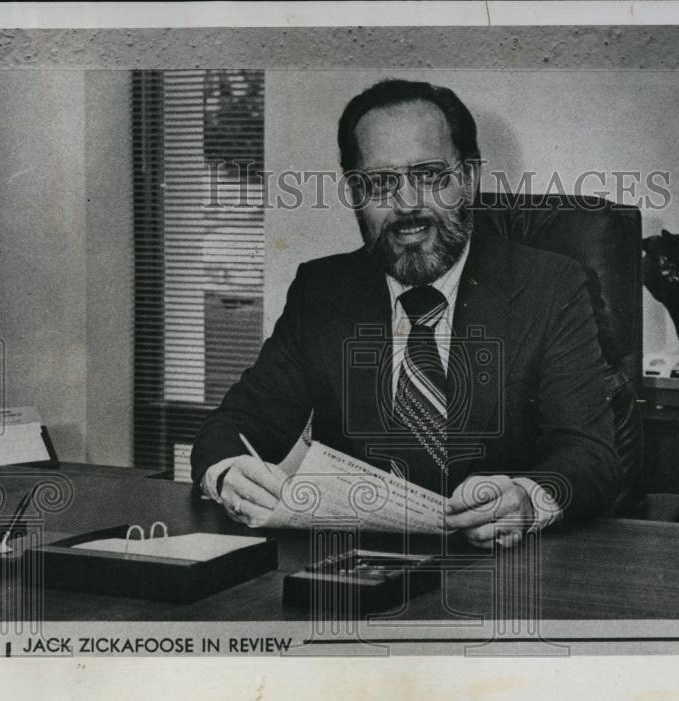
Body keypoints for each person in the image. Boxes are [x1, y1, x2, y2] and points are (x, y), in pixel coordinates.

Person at [191, 78, 620, 548]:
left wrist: (526, 499)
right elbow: (231, 427)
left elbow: (590, 453)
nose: (407, 206)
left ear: (470, 178)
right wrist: (230, 474)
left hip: (499, 572)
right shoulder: (322, 291)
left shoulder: (549, 286)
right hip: (361, 575)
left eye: (431, 176)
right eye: (379, 183)